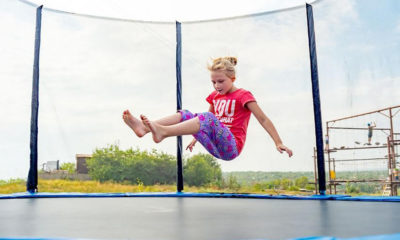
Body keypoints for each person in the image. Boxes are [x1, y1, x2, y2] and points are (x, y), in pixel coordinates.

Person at [122, 57, 292, 160]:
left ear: (232, 78)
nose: (216, 86)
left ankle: (162, 132)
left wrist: (278, 142)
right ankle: (144, 129)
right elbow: (202, 123)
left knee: (207, 117)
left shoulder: (243, 95)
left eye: (221, 81)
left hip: (231, 147)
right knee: (187, 113)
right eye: (213, 82)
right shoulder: (215, 96)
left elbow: (263, 119)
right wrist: (196, 138)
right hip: (214, 146)